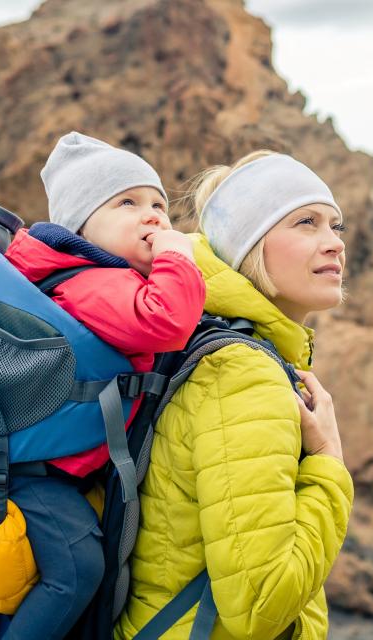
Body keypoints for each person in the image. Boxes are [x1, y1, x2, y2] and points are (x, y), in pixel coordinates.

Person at [0, 131, 207, 638]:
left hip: (49, 465)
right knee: (77, 571)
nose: (153, 216)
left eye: (160, 205)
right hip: (32, 476)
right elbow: (166, 322)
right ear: (82, 226)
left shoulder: (92, 275)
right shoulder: (92, 282)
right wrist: (177, 256)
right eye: (128, 202)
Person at [115, 151, 354, 640]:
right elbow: (260, 605)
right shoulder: (244, 376)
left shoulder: (209, 340)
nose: (334, 244)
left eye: (336, 225)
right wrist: (330, 461)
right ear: (250, 246)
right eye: (306, 223)